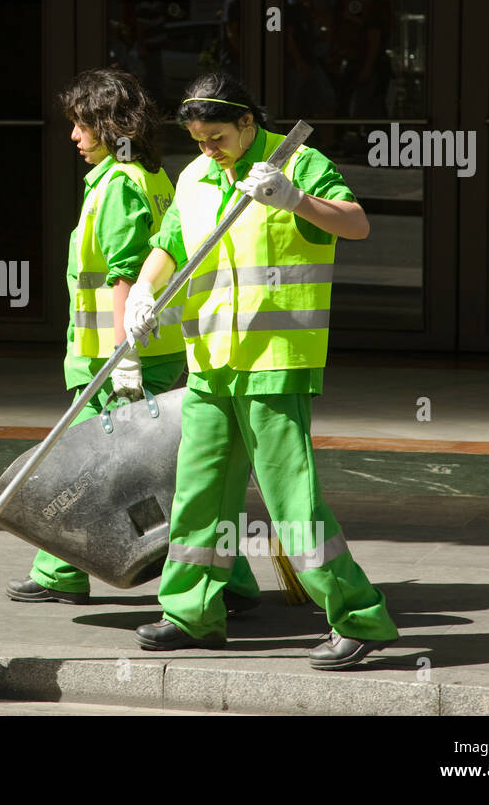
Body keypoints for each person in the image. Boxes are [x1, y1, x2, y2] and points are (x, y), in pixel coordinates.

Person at [123, 72, 400, 669]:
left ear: (249, 122)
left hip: (275, 362)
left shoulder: (295, 161)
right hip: (210, 363)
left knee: (291, 499)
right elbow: (169, 243)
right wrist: (144, 291)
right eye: (197, 139)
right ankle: (191, 613)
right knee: (198, 493)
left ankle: (359, 617)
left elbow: (356, 223)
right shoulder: (196, 175)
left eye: (217, 136)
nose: (207, 149)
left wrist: (297, 200)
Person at [6, 68, 262, 611]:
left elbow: (123, 276)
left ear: (106, 124)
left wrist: (125, 357)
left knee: (82, 470)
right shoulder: (151, 177)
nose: (74, 137)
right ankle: (229, 578)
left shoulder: (120, 186)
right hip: (151, 350)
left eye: (81, 125)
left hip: (114, 357)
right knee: (170, 471)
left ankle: (63, 573)